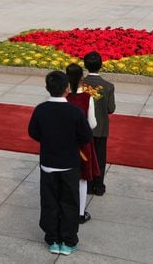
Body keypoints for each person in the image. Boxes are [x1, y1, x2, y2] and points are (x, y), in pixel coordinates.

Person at [28, 70, 93, 256]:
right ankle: (68, 241)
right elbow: (86, 136)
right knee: (69, 202)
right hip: (69, 164)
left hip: (48, 163)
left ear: (48, 88)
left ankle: (53, 239)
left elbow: (33, 133)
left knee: (49, 201)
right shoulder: (74, 111)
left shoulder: (41, 109)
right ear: (67, 89)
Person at [65, 64, 100, 224]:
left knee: (65, 175)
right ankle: (80, 213)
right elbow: (92, 124)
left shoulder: (64, 97)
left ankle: (65, 208)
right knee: (82, 178)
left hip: (65, 142)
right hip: (82, 144)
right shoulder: (87, 98)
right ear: (82, 79)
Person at [83, 51, 115, 196]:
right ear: (101, 65)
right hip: (101, 128)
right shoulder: (107, 86)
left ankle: (87, 185)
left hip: (83, 129)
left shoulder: (79, 84)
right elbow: (111, 108)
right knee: (100, 158)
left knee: (85, 157)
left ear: (85, 65)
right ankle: (99, 186)